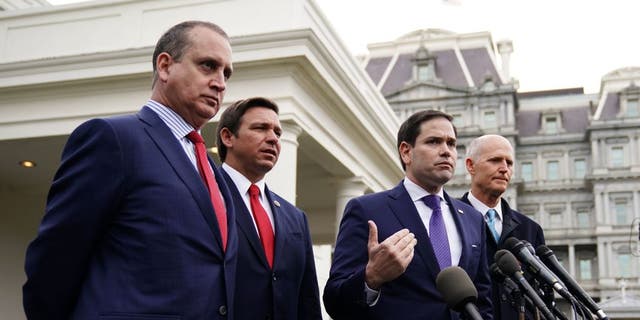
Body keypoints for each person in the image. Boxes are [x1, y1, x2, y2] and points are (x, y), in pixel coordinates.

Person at [23, 21, 238, 320]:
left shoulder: (215, 174)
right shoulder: (112, 139)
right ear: (165, 66)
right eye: (208, 66)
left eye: (226, 73)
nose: (220, 82)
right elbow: (55, 259)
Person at [323, 110, 493, 320]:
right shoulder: (367, 210)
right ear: (406, 152)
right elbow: (334, 300)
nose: (446, 151)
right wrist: (372, 277)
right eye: (434, 142)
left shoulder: (473, 219)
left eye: (451, 143)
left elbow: (483, 301)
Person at [216, 97, 322, 319]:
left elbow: (307, 299)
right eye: (260, 128)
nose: (273, 138)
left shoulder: (295, 218)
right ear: (227, 137)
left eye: (278, 133)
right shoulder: (203, 196)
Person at [459, 134, 545, 320]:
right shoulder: (449, 220)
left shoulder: (530, 229)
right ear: (470, 165)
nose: (504, 169)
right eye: (495, 160)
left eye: (509, 163)